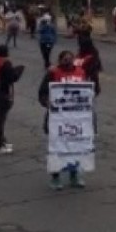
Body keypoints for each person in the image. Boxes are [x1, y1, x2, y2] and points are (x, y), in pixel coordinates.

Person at [38, 51, 88, 190]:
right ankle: (55, 178)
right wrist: (47, 103)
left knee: (75, 148)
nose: (68, 62)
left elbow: (86, 93)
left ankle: (74, 175)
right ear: (60, 60)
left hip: (76, 118)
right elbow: (42, 93)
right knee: (57, 149)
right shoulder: (53, 73)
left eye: (70, 59)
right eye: (65, 59)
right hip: (57, 118)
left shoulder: (80, 72)